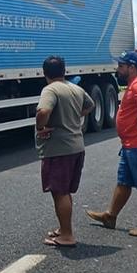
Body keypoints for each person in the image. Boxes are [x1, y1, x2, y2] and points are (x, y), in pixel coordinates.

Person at [87, 51, 137, 239]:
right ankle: (110, 216)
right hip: (132, 144)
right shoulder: (133, 85)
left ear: (131, 67)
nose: (117, 70)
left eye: (121, 66)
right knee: (124, 182)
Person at [35, 56, 96, 248]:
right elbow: (90, 105)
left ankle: (67, 235)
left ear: (44, 73)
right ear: (64, 71)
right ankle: (63, 229)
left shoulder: (50, 89)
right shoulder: (75, 88)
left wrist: (40, 127)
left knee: (59, 192)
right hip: (77, 146)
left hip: (59, 149)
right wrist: (74, 116)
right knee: (65, 191)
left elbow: (43, 111)